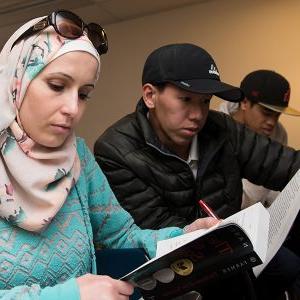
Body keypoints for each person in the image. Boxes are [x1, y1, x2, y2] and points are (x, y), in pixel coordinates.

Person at [0, 14, 219, 300]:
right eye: (57, 86)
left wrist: (183, 237)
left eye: (83, 94)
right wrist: (68, 296)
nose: (72, 108)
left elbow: (121, 236)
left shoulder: (78, 157)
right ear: (16, 81)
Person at [94, 43, 300, 299]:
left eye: (205, 102)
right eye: (186, 99)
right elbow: (154, 229)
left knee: (288, 267)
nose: (197, 114)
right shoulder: (116, 149)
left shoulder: (222, 128)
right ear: (150, 96)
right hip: (172, 269)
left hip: (234, 249)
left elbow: (285, 164)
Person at [219, 69, 300, 209]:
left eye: (277, 115)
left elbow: (274, 188)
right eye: (266, 113)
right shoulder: (217, 130)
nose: (272, 122)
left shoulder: (279, 133)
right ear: (244, 102)